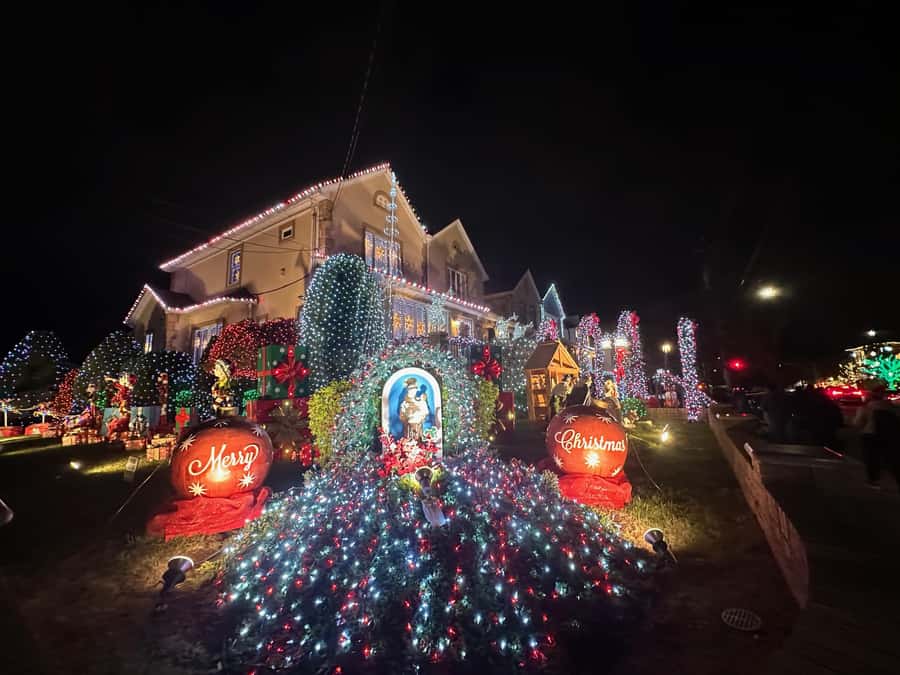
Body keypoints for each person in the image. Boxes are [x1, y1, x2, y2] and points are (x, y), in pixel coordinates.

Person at [855, 384, 900, 489]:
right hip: (889, 436)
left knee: (872, 458)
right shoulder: (891, 407)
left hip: (870, 435)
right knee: (891, 459)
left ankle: (873, 480)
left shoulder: (865, 408)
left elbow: (857, 423)